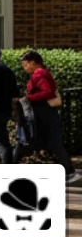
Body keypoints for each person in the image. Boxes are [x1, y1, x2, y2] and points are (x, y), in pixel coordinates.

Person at [18, 49, 81, 185]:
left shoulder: (39, 74)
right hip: (46, 113)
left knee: (53, 142)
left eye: (25, 65)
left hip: (45, 114)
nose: (24, 68)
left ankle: (70, 171)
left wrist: (29, 98)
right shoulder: (40, 73)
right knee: (49, 142)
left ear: (34, 62)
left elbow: (47, 92)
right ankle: (67, 171)